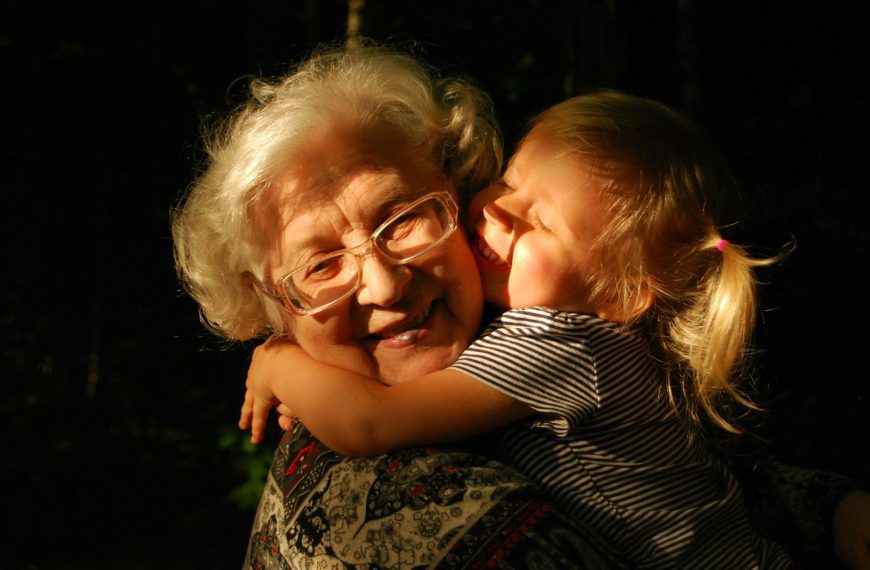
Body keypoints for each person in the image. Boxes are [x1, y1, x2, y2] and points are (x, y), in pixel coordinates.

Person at [172, 43, 868, 568]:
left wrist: (279, 363)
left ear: (452, 191)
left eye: (403, 219)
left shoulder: (548, 338)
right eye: (320, 264)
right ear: (270, 304)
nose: (384, 287)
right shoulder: (370, 511)